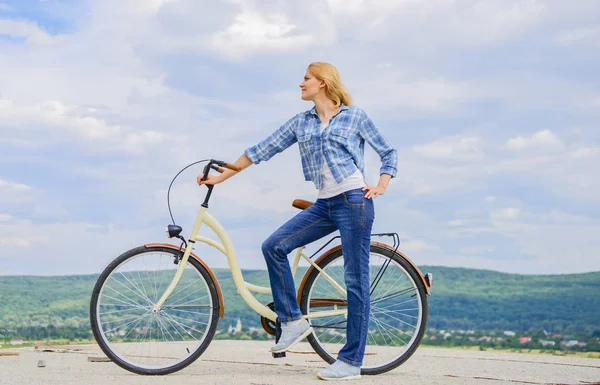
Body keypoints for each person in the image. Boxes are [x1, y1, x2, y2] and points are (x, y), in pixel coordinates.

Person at [197, 62, 397, 380]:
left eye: (305, 79)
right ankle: (291, 321)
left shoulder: (354, 116)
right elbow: (262, 149)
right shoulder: (301, 122)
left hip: (354, 202)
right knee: (274, 246)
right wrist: (221, 178)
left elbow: (388, 152)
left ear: (323, 82)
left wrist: (381, 185)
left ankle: (350, 362)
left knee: (356, 283)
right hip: (325, 205)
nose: (300, 84)